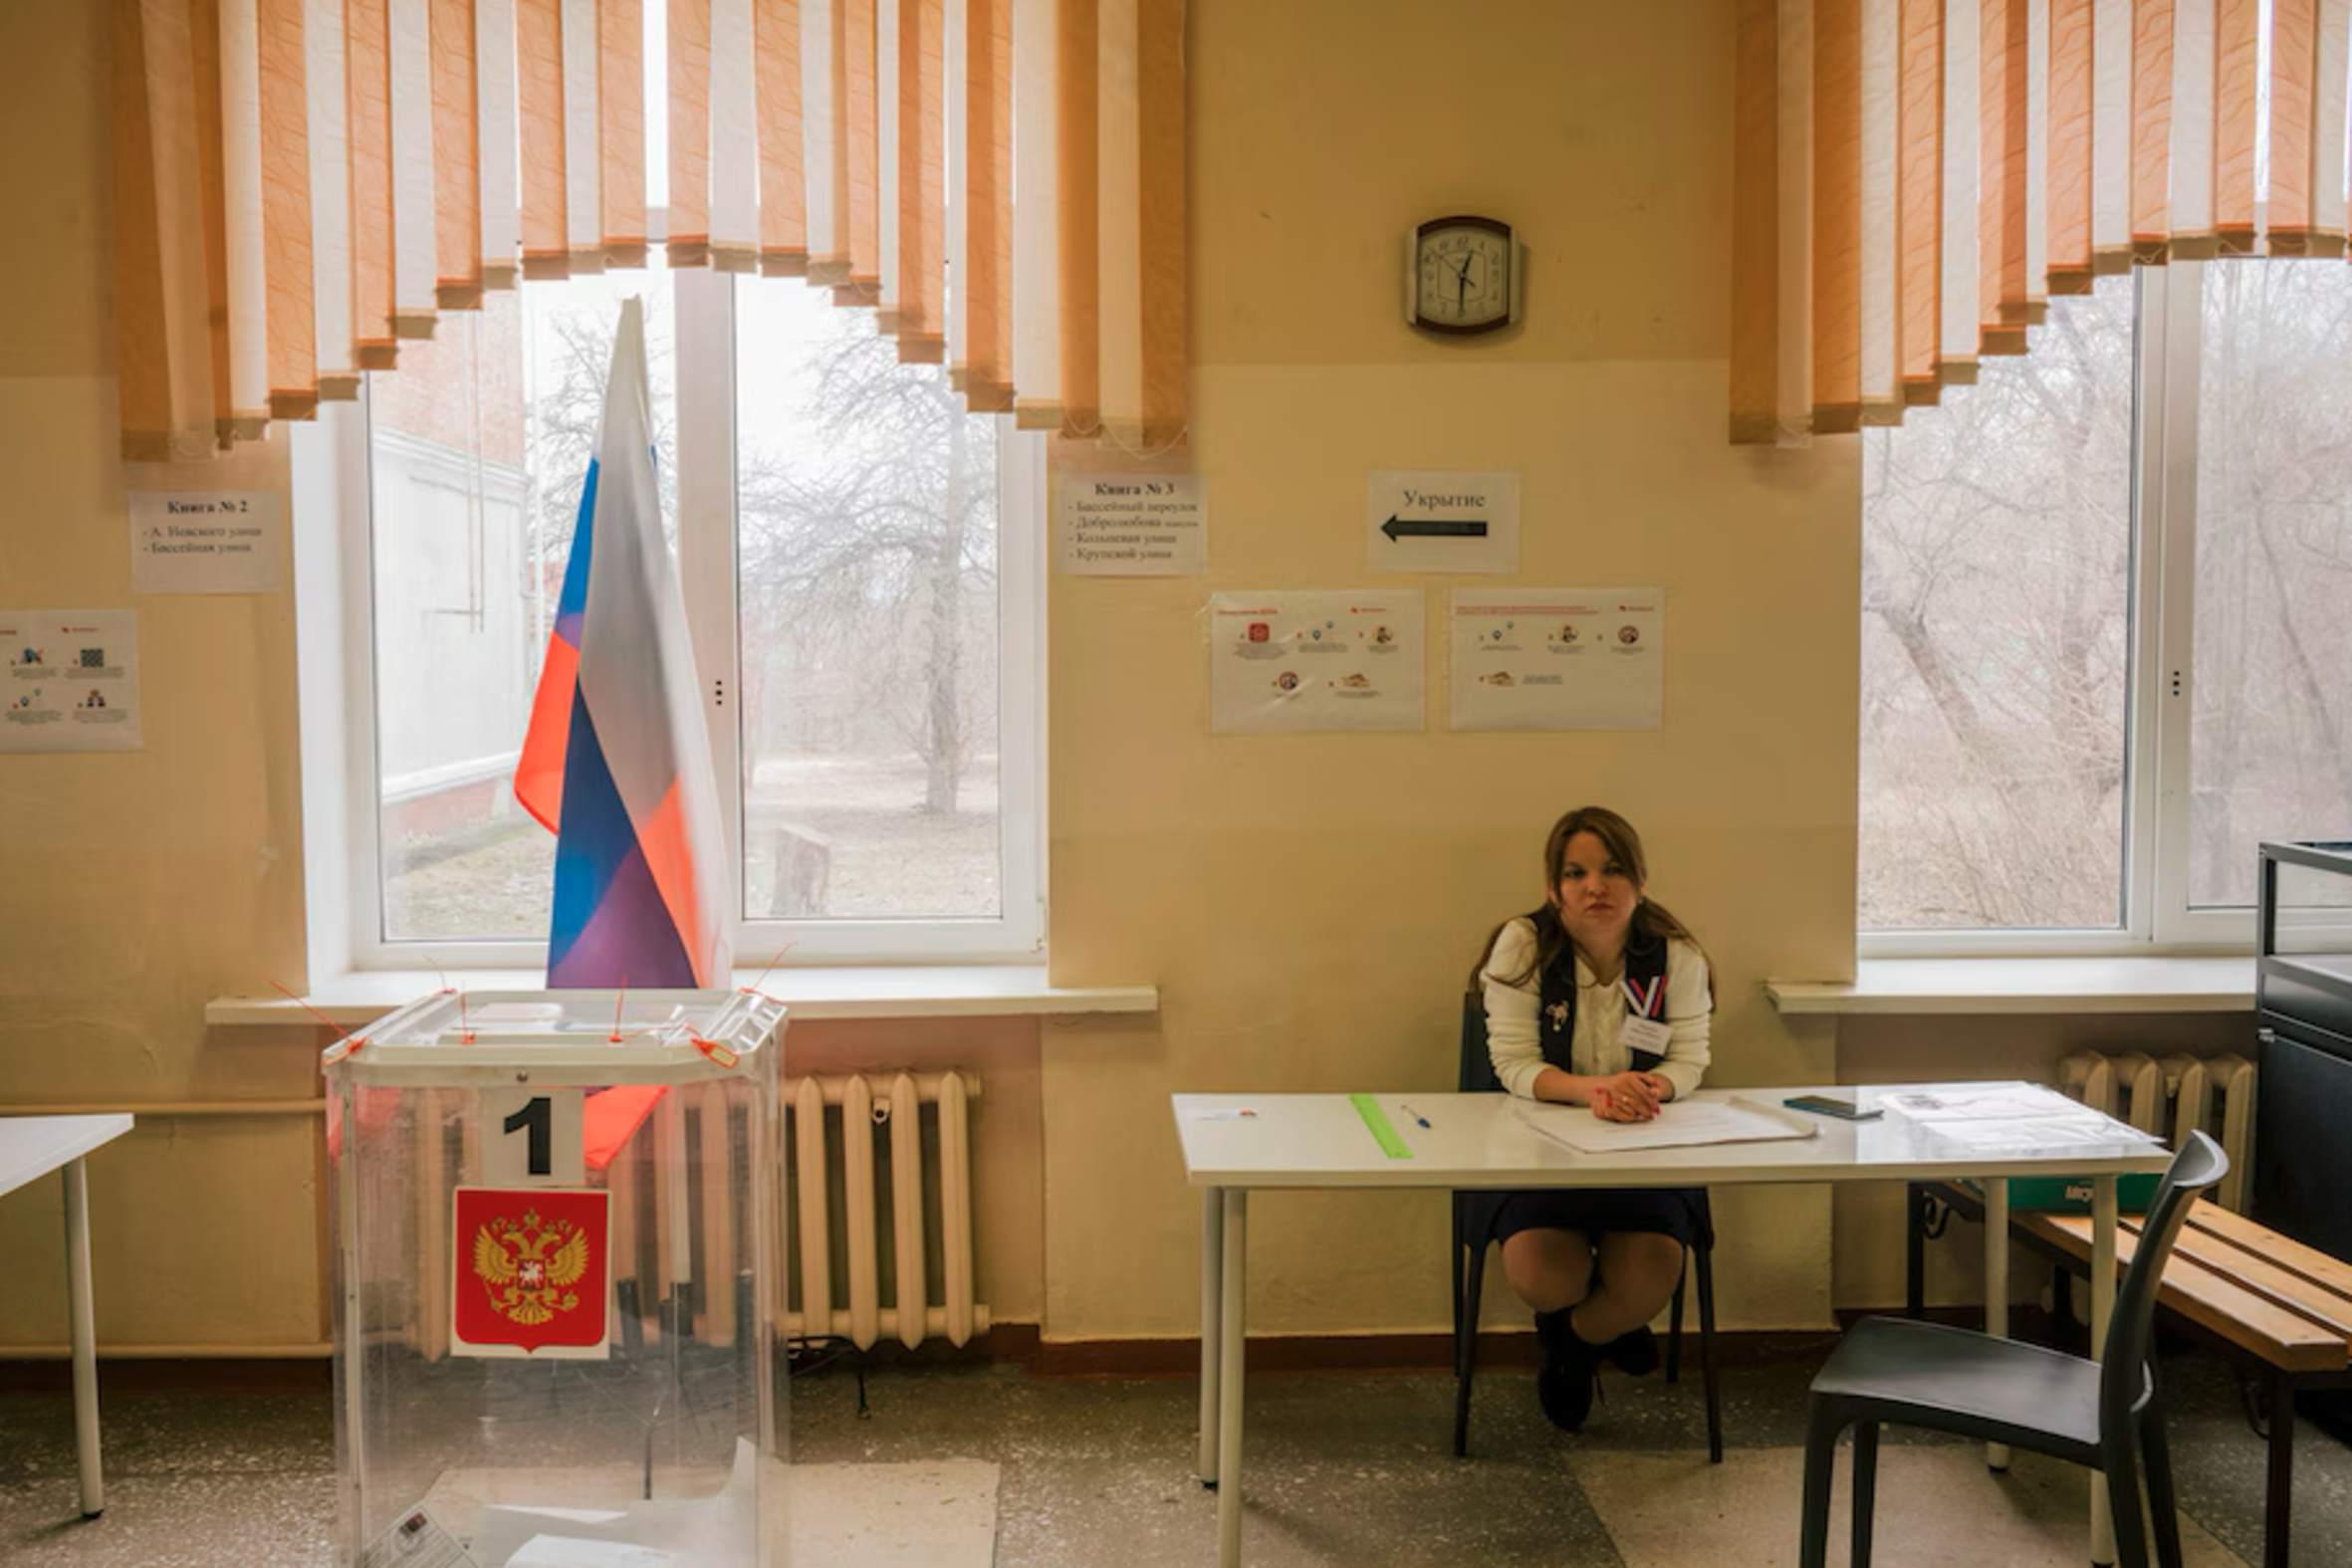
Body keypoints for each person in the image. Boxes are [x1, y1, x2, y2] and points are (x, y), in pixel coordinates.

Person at [1467, 804, 1713, 1432]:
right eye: (1575, 873)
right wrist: (1597, 1090)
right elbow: (1513, 1064)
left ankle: (1571, 1343)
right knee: (1544, 1276)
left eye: (1612, 870)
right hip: (1539, 1149)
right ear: (1553, 887)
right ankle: (1601, 1326)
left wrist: (1647, 1087)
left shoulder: (1675, 954)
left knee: (1651, 1279)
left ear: (1640, 879)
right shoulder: (1523, 945)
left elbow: (1690, 1059)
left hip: (1642, 1150)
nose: (1595, 887)